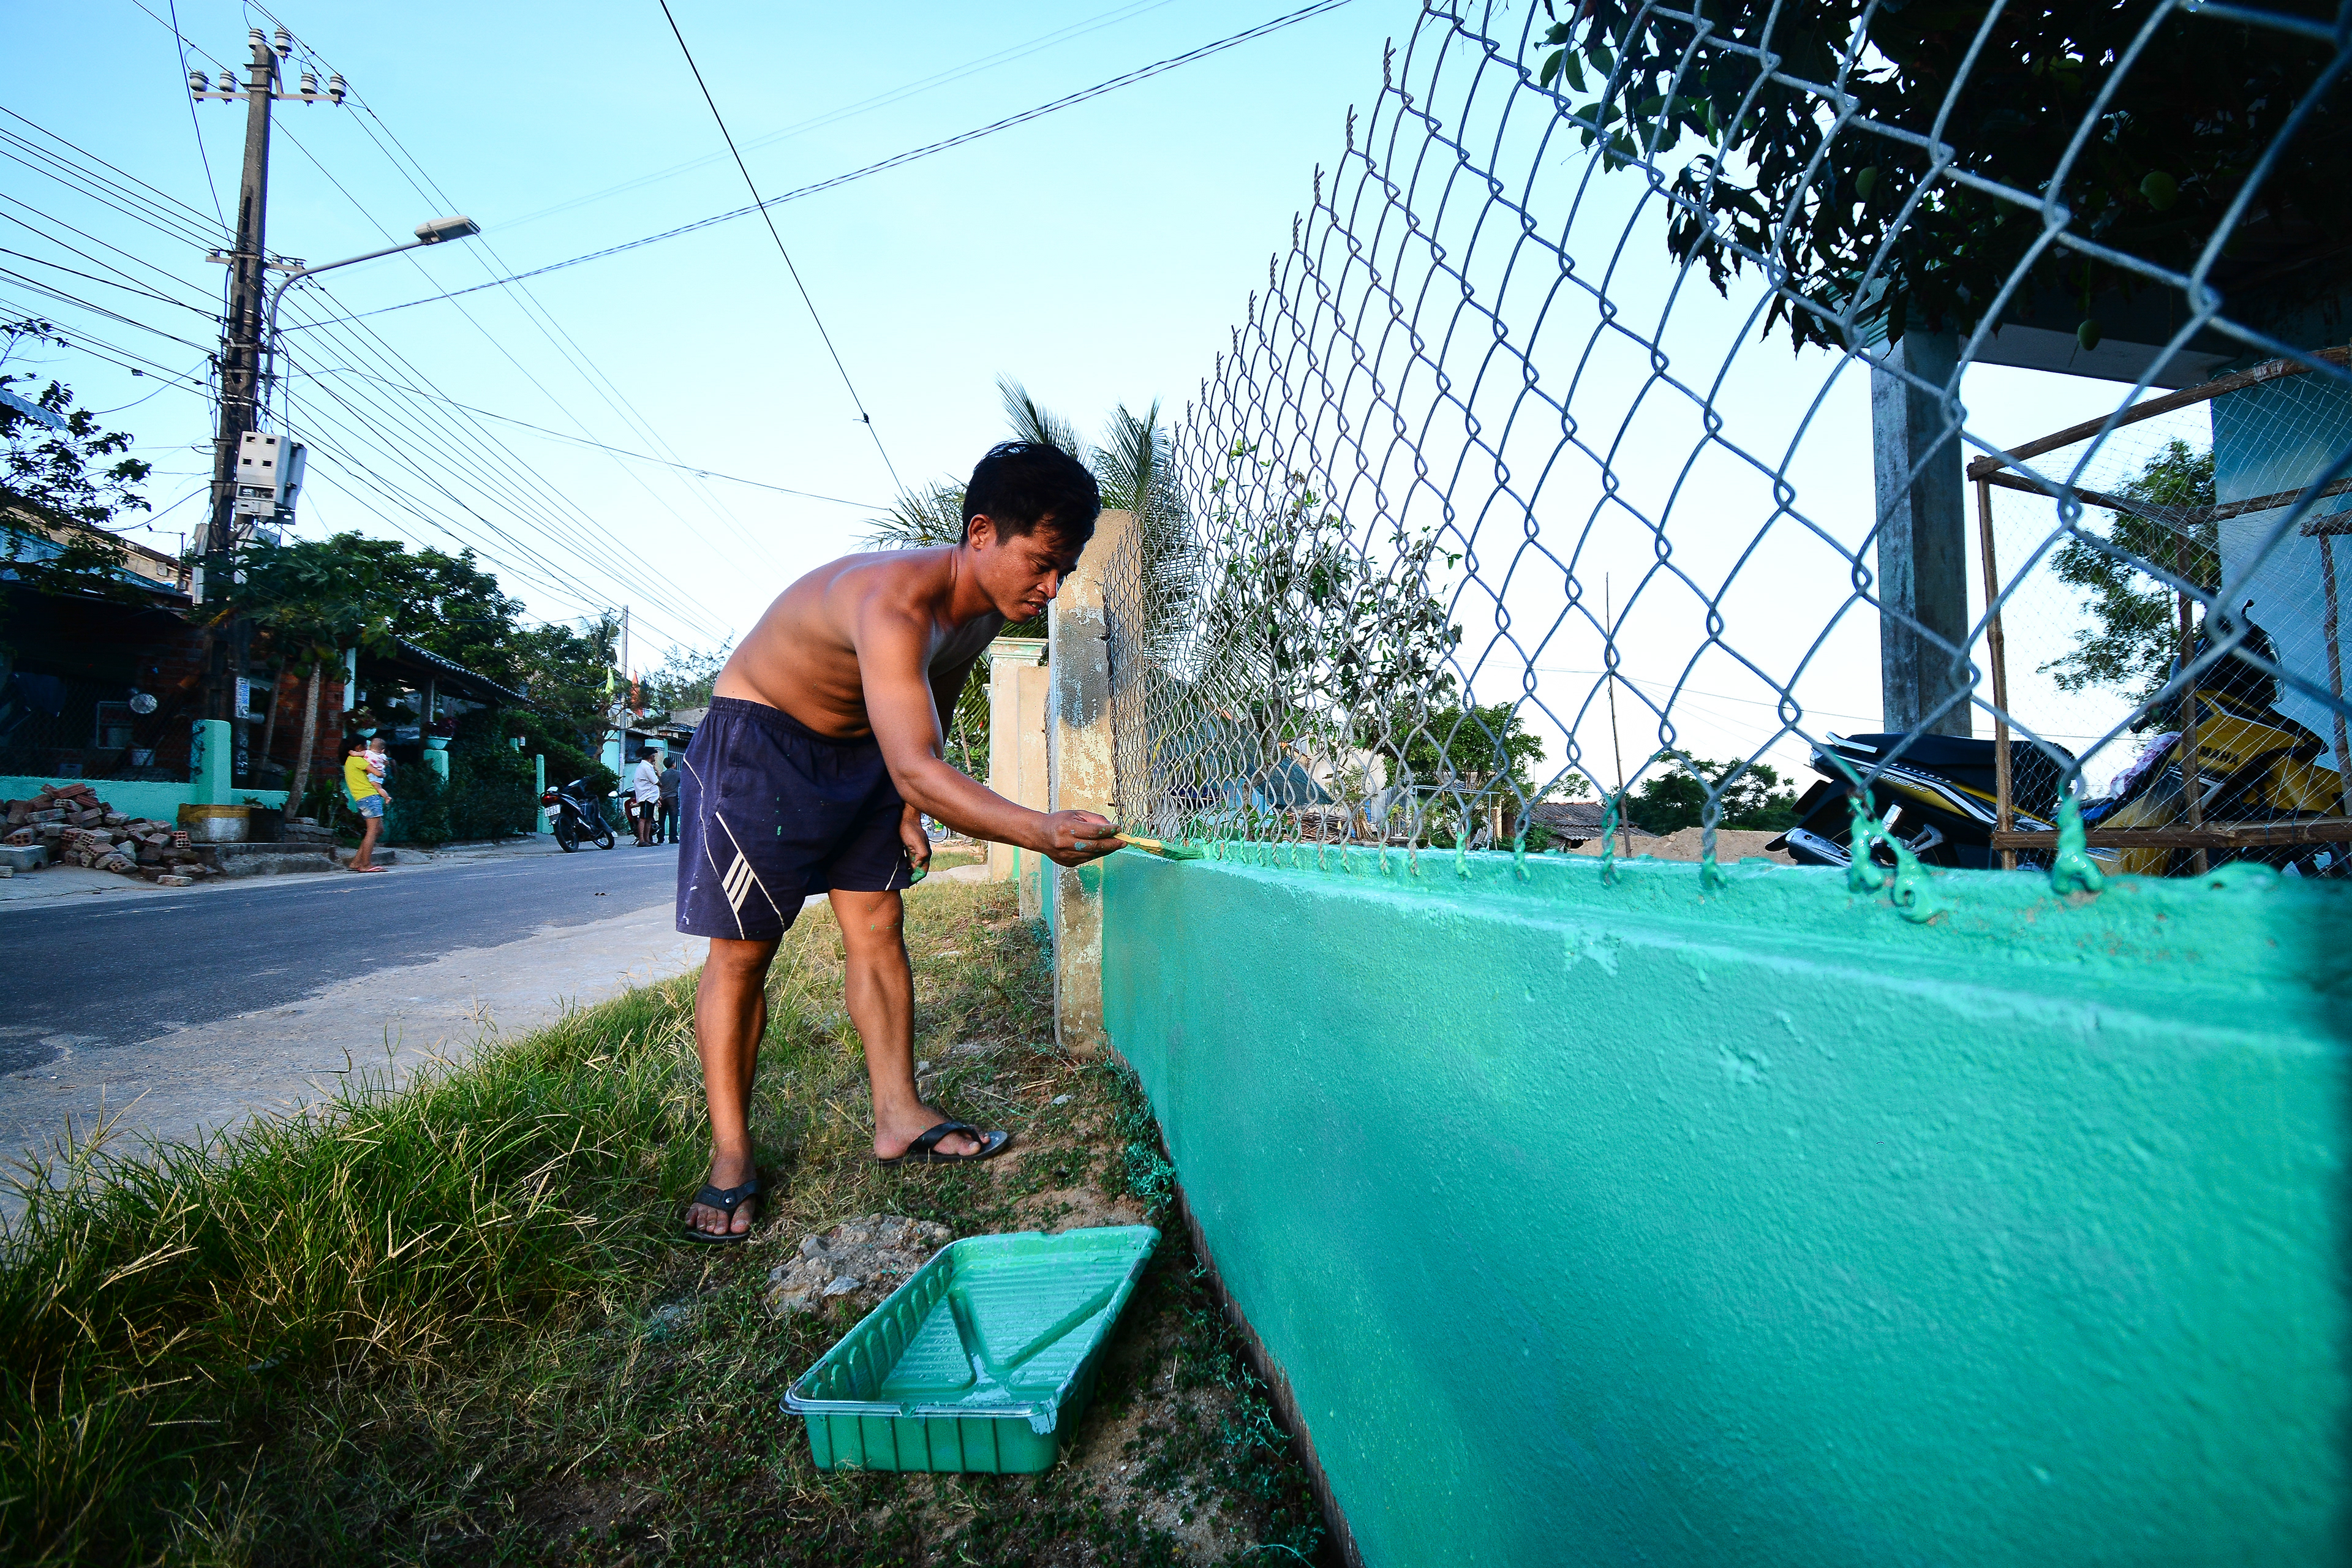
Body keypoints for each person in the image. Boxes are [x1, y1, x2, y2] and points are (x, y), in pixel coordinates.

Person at [675, 440, 1121, 1243]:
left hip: (866, 751)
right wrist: (1038, 830)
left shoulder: (986, 607)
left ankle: (897, 1114)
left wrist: (905, 803)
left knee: (878, 925)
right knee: (742, 953)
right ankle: (732, 1156)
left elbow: (933, 696)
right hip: (762, 744)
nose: (1052, 588)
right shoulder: (892, 602)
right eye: (1044, 563)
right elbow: (916, 761)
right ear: (981, 533)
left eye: (1065, 569)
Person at [343, 734, 390, 873]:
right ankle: (365, 865)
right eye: (366, 746)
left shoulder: (353, 760)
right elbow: (378, 773)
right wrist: (383, 773)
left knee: (379, 830)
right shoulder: (356, 760)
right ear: (359, 748)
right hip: (368, 796)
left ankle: (356, 862)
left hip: (365, 797)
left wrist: (382, 762)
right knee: (372, 831)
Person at [631, 748, 662, 845]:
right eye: (653, 755)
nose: (654, 758)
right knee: (643, 818)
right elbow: (656, 781)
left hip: (651, 797)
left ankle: (647, 839)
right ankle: (641, 840)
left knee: (649, 818)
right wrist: (661, 783)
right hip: (646, 796)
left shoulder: (646, 766)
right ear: (650, 756)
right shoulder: (646, 767)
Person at [657, 753, 682, 843]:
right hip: (672, 798)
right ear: (673, 764)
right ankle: (673, 838)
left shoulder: (662, 775)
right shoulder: (678, 773)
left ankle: (660, 837)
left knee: (661, 818)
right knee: (673, 818)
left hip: (662, 798)